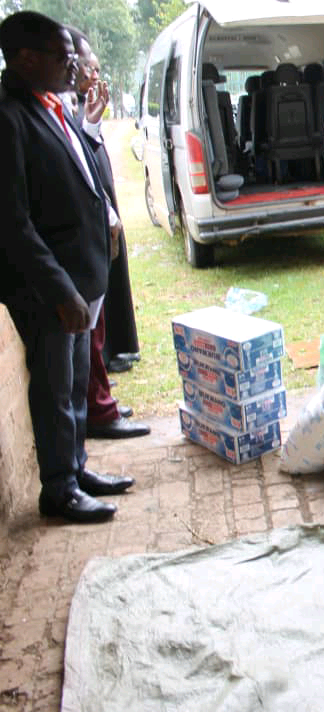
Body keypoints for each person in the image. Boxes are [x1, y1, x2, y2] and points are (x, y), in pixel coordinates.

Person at [0, 11, 136, 523]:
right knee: (55, 387)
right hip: (49, 286)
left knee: (75, 381)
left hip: (83, 272)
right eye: (63, 56)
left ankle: (76, 467)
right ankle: (58, 488)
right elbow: (12, 222)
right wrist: (59, 289)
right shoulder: (9, 117)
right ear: (26, 58)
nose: (72, 65)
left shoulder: (54, 105)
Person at [67, 27, 150, 439]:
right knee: (79, 344)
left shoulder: (72, 110)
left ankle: (99, 403)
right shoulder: (31, 113)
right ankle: (97, 412)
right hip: (71, 247)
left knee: (92, 338)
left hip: (94, 235)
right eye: (85, 65)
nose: (87, 74)